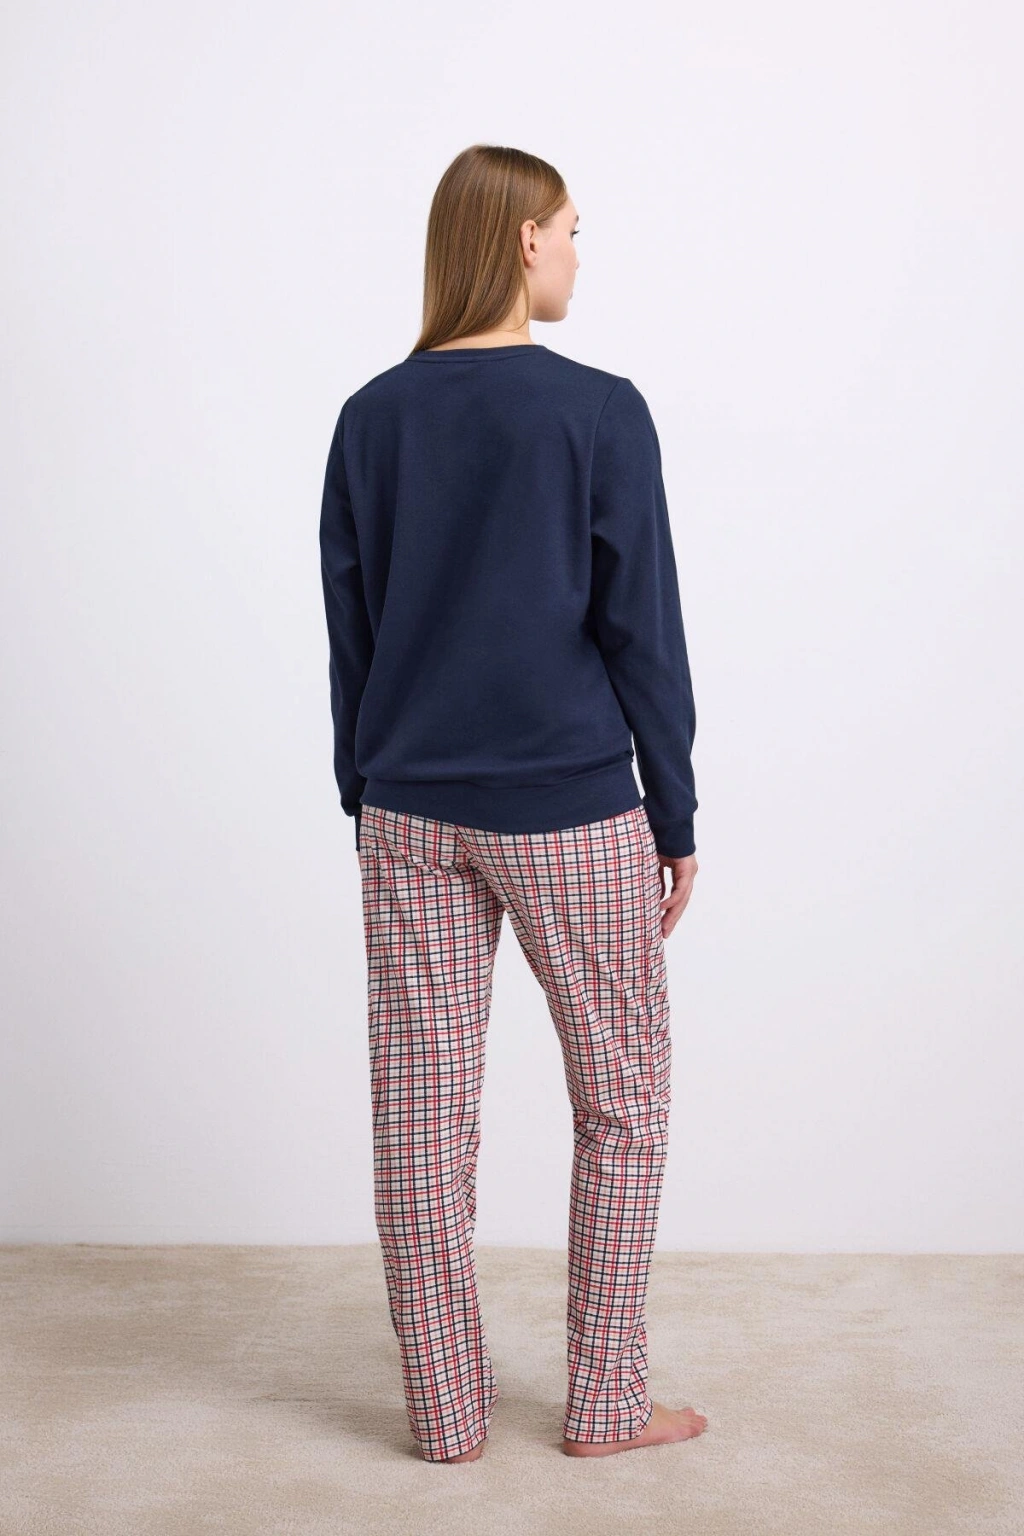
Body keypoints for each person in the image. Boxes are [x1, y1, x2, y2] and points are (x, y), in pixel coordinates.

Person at [319, 143, 707, 1465]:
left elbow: (353, 631)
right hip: (570, 808)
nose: (579, 256)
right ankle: (606, 1404)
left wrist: (366, 787)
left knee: (421, 1118)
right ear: (524, 241)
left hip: (408, 809)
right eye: (572, 231)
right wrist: (674, 814)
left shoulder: (371, 417)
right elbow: (642, 629)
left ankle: (445, 1416)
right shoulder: (598, 412)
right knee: (624, 1103)